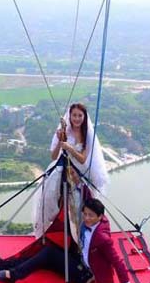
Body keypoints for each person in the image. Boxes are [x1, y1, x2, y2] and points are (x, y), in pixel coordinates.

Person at [0, 198, 132, 283]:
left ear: (100, 217)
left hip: (85, 276)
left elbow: (116, 260)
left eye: (91, 216)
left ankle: (12, 275)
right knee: (45, 254)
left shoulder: (102, 238)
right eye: (85, 214)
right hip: (80, 261)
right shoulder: (91, 223)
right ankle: (2, 264)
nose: (87, 218)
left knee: (49, 253)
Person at [33, 102, 110, 240]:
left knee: (78, 205)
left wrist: (69, 147)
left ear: (84, 117)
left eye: (80, 115)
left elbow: (82, 159)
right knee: (50, 196)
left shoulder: (87, 134)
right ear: (70, 116)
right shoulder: (64, 132)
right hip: (62, 167)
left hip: (79, 172)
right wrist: (60, 141)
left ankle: (79, 238)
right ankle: (52, 233)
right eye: (74, 115)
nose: (77, 118)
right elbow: (54, 156)